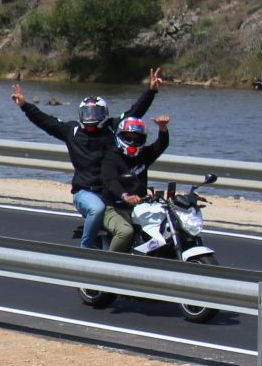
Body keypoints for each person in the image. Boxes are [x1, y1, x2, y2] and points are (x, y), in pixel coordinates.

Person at [14, 69, 161, 249]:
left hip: (111, 190)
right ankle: (85, 252)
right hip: (85, 191)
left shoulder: (111, 127)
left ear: (104, 114)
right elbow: (46, 121)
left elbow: (134, 113)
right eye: (87, 113)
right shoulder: (72, 131)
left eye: (95, 113)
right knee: (97, 208)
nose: (91, 117)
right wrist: (24, 105)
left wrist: (151, 91)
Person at [99, 111, 172, 253]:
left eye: (137, 139)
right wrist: (125, 196)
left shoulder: (143, 155)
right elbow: (111, 182)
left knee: (163, 228)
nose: (132, 143)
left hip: (140, 207)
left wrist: (162, 128)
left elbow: (160, 145)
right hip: (115, 207)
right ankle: (109, 264)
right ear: (120, 137)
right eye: (128, 138)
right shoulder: (111, 157)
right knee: (125, 232)